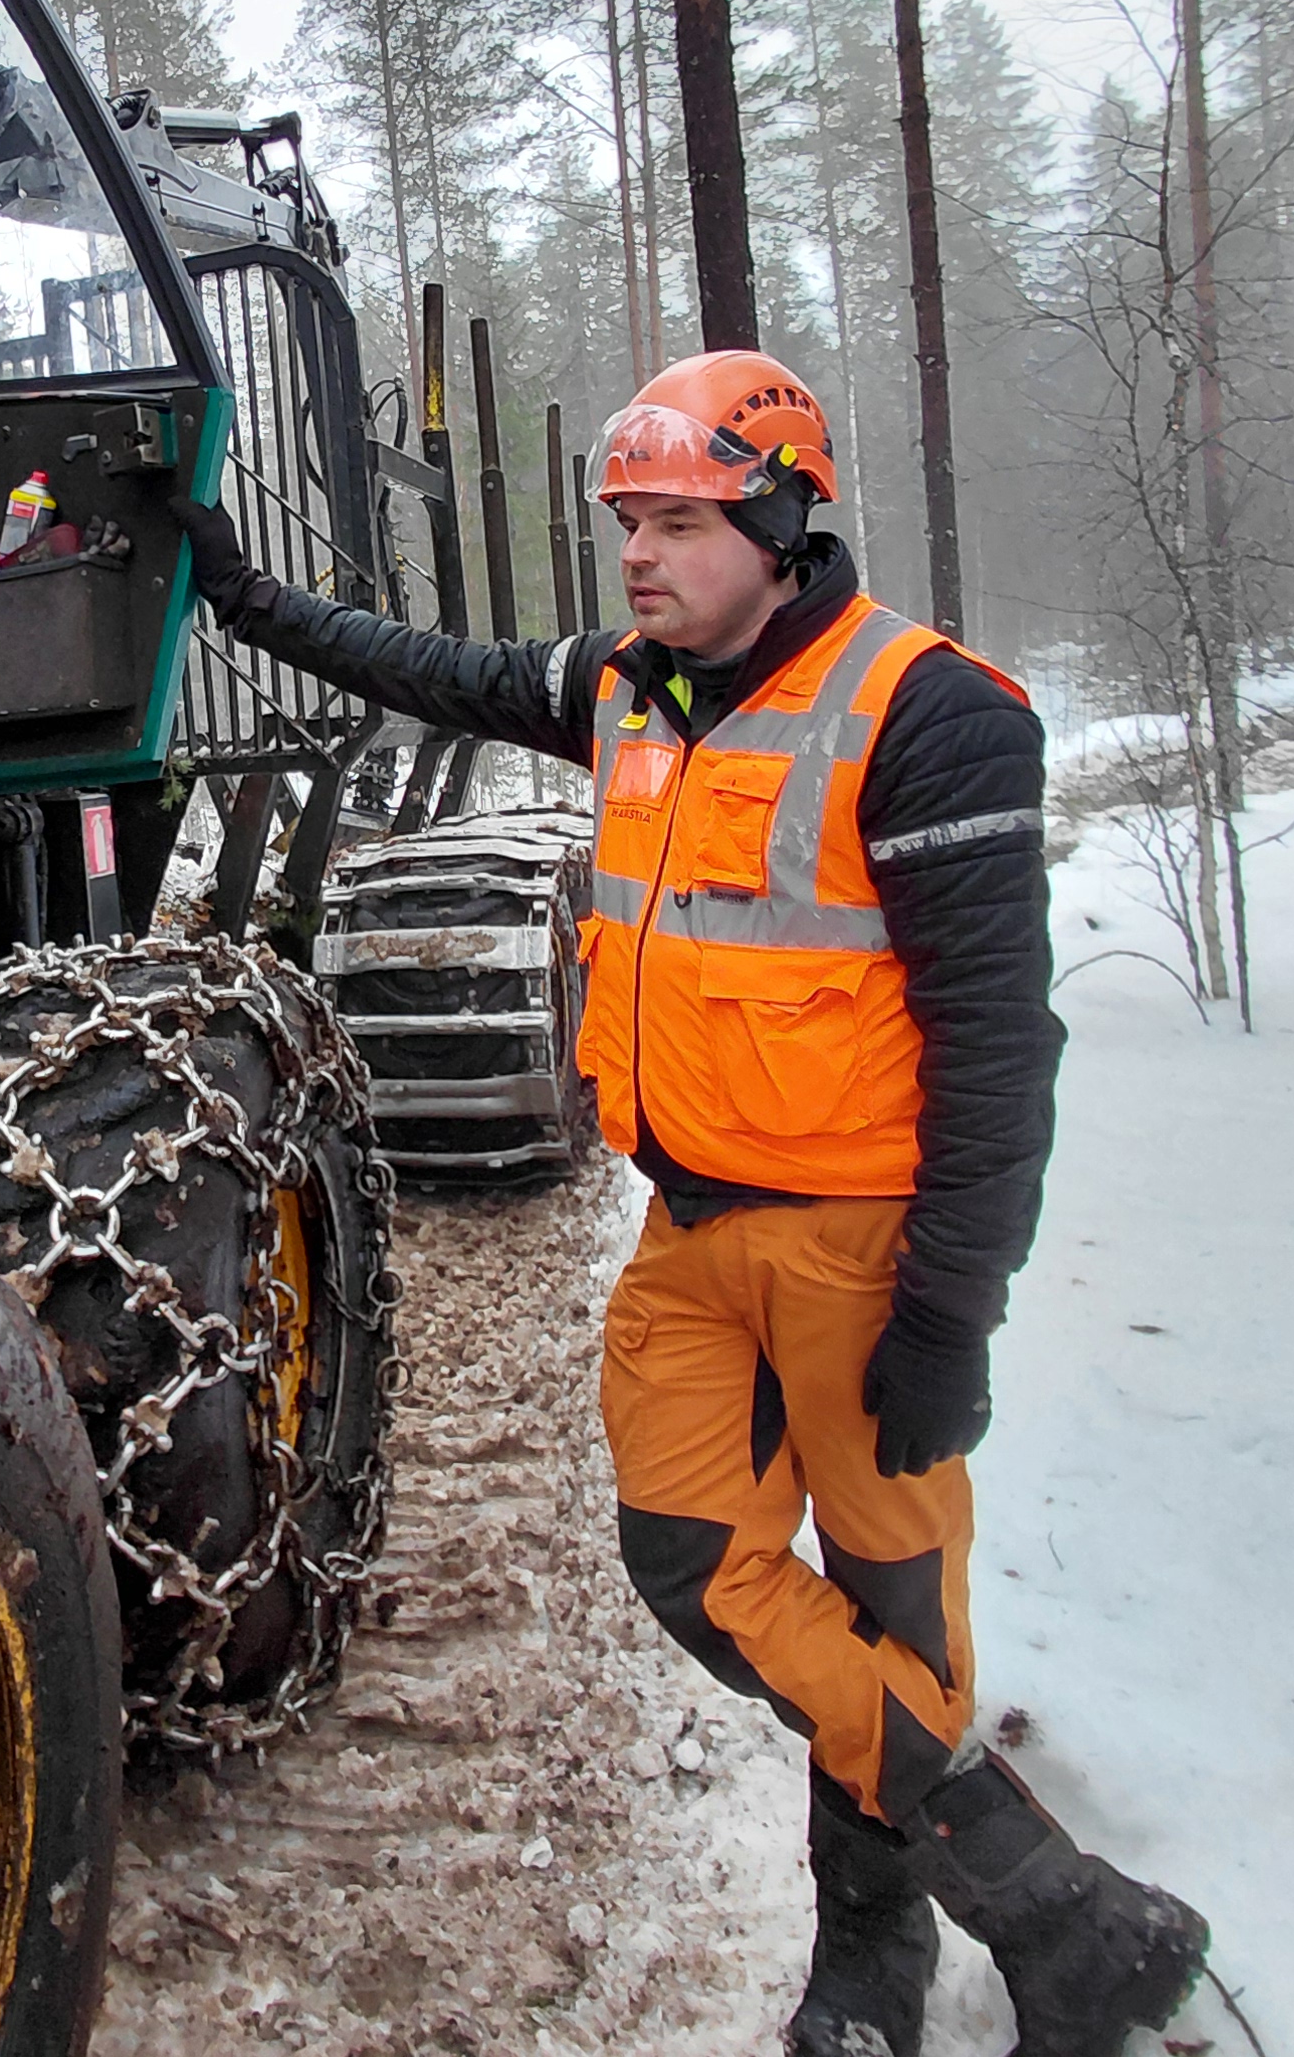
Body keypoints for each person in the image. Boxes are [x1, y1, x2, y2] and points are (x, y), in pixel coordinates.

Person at [171, 351, 1207, 2057]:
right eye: (625, 523)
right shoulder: (623, 689)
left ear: (781, 520)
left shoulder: (927, 711)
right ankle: (1046, 1900)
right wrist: (238, 593)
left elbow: (996, 1049)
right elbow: (421, 665)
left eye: (674, 521)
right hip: (689, 1236)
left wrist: (950, 1311)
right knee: (689, 1566)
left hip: (866, 1253)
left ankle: (865, 1974)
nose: (636, 554)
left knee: (880, 1623)